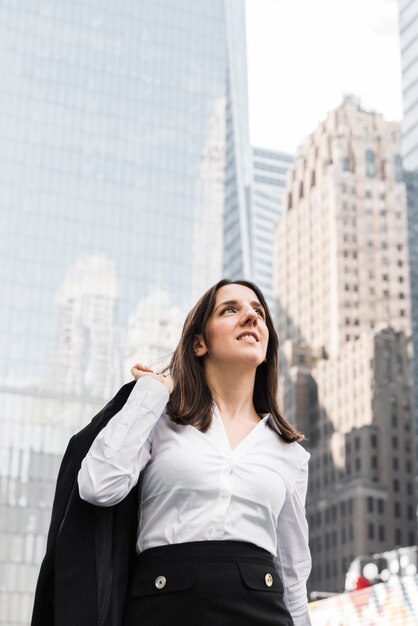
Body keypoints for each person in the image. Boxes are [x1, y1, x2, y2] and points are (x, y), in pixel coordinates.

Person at [34, 278, 311, 626]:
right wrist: (150, 394)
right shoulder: (159, 417)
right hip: (162, 606)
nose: (251, 318)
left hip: (261, 610)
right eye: (230, 310)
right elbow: (97, 486)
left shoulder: (288, 452)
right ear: (199, 343)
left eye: (259, 312)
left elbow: (293, 571)